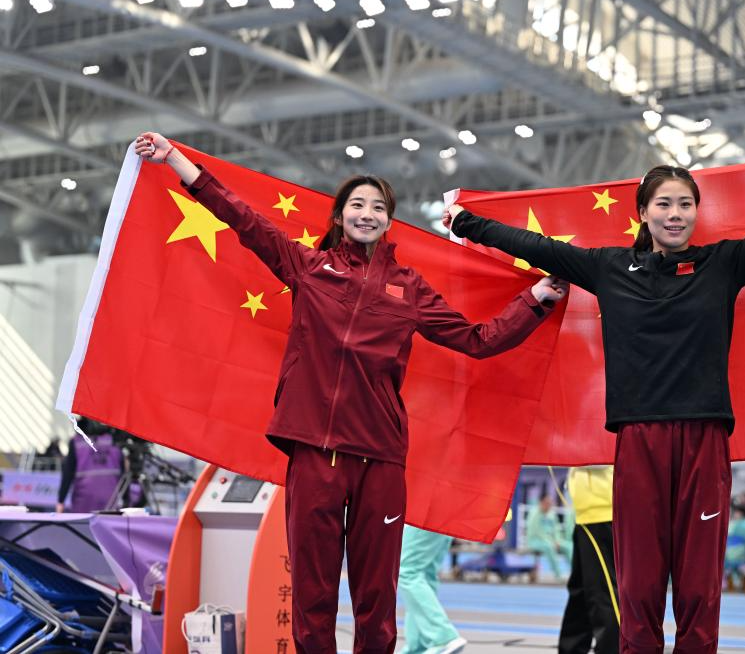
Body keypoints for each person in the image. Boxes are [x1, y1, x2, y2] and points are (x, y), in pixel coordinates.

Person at [442, 144, 745, 653]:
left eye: (686, 204)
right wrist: (465, 222)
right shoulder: (607, 268)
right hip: (638, 439)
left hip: (704, 439)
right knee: (638, 587)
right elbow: (534, 245)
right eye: (665, 204)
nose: (676, 214)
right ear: (643, 213)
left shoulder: (725, 263)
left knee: (698, 588)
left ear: (697, 211)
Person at [134, 132, 569, 654]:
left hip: (379, 459)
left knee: (376, 599)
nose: (368, 214)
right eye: (358, 205)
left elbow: (478, 341)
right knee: (312, 596)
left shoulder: (409, 288)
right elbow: (243, 219)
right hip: (314, 451)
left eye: (379, 207)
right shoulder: (308, 267)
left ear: (388, 221)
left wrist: (536, 298)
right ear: (340, 217)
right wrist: (176, 160)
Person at [559, 466, 619, 654]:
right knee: (581, 593)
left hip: (603, 513)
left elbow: (601, 455)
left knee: (603, 595)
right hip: (585, 516)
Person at [398, 526, 466, 654]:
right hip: (446, 517)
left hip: (426, 515)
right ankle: (419, 646)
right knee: (426, 574)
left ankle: (442, 637)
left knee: (407, 572)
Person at [56, 417, 123, 513]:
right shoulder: (114, 440)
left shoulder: (76, 442)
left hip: (83, 503)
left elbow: (68, 473)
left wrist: (61, 500)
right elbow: (123, 471)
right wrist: (127, 499)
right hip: (111, 501)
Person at [526, 494, 573, 579]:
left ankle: (576, 573)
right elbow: (537, 532)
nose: (549, 505)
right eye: (547, 503)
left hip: (552, 541)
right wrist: (551, 542)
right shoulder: (534, 514)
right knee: (549, 547)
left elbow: (556, 530)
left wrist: (557, 540)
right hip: (535, 541)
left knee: (569, 546)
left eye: (550, 503)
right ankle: (558, 575)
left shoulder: (552, 514)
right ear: (541, 503)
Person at [724, 506, 745, 592]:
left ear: (739, 514)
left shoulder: (729, 525)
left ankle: (732, 587)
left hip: (730, 560)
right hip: (744, 560)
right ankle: (744, 587)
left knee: (730, 571)